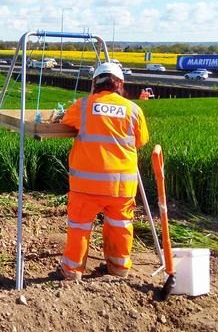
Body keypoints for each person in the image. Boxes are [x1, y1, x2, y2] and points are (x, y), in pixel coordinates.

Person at [58, 62, 149, 280]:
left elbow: (65, 120)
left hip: (86, 186)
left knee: (79, 229)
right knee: (120, 226)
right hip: (122, 186)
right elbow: (141, 141)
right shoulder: (133, 110)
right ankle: (118, 269)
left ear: (94, 83)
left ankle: (72, 272)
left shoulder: (83, 105)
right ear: (120, 84)